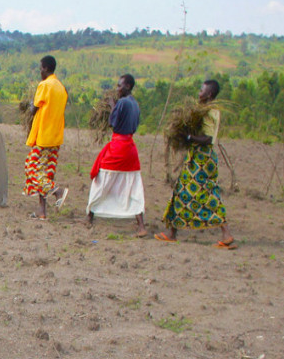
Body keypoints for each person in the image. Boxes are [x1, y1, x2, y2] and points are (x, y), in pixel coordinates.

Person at [155, 79, 236, 249]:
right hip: (202, 159)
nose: (199, 93)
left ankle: (225, 232)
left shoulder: (208, 113)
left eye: (202, 90)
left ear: (210, 95)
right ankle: (173, 232)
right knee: (186, 191)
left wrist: (188, 137)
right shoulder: (212, 110)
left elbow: (208, 139)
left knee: (199, 194)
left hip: (201, 160)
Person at [86, 74, 147, 237]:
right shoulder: (135, 104)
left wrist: (112, 106)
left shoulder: (121, 103)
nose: (117, 89)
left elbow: (113, 123)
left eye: (119, 86)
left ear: (127, 86)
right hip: (131, 149)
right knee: (133, 186)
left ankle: (89, 217)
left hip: (118, 148)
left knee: (101, 180)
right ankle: (141, 225)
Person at [24, 55, 68, 219]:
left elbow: (34, 109)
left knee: (31, 168)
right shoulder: (61, 88)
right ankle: (42, 212)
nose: (40, 71)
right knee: (45, 173)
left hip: (43, 137)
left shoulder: (45, 85)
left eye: (41, 68)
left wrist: (30, 105)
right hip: (55, 137)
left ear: (47, 69)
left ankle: (58, 192)